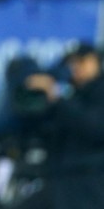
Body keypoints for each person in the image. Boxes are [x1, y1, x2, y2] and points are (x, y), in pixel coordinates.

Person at [23, 42, 104, 209]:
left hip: (90, 184)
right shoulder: (72, 95)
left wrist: (57, 98)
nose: (76, 68)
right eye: (72, 63)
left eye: (82, 61)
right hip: (60, 182)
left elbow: (95, 127)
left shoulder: (97, 93)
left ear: (97, 61)